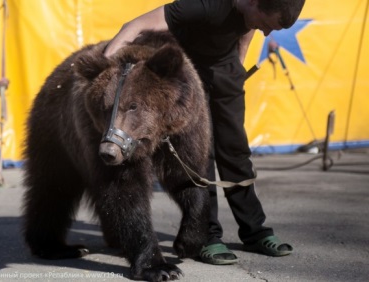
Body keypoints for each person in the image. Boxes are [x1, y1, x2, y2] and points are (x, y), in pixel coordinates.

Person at [104, 0, 306, 265]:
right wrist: (104, 65)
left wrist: (238, 66)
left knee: (236, 152)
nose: (266, 33)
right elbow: (134, 26)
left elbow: (248, 27)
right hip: (191, 76)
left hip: (225, 71)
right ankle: (208, 236)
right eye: (267, 25)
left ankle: (254, 230)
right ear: (253, 2)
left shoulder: (251, 11)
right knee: (200, 156)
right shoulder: (205, 6)